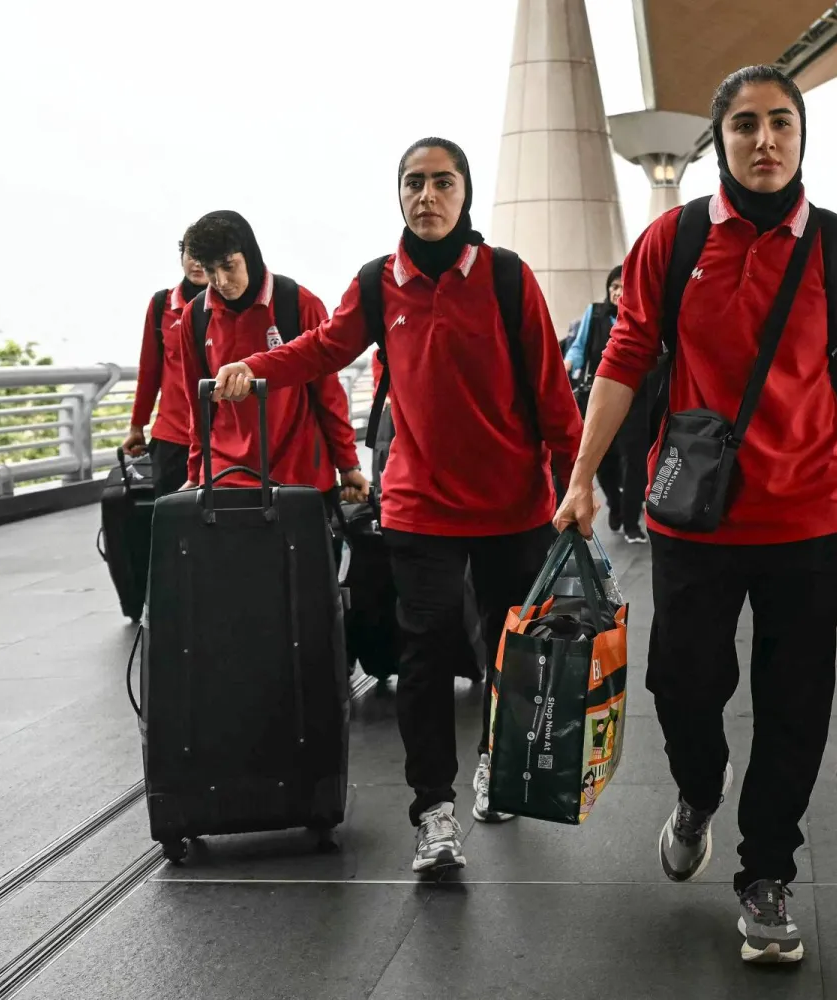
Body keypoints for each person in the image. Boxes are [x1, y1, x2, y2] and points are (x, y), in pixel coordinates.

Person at [552, 65, 837, 965]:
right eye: (745, 127)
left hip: (807, 516)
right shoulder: (674, 240)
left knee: (794, 707)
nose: (764, 141)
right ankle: (697, 790)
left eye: (781, 125)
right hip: (695, 517)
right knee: (682, 687)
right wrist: (579, 477)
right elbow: (624, 356)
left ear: (802, 139)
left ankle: (766, 871)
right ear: (719, 143)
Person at [209, 138, 583, 873]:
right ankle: (433, 811)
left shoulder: (506, 277)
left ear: (465, 193)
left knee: (513, 652)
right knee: (426, 655)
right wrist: (255, 368)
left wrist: (576, 484)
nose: (427, 196)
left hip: (515, 504)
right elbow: (323, 348)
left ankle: (493, 768)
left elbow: (550, 390)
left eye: (443, 182)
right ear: (400, 195)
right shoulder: (380, 283)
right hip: (419, 505)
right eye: (414, 183)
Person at [175, 211, 367, 506]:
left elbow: (329, 395)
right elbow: (196, 400)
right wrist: (195, 471)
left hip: (300, 472)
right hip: (227, 474)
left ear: (249, 256)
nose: (221, 281)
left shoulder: (298, 303)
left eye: (229, 266)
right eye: (211, 271)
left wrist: (348, 465)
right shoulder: (196, 316)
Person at [566, 265, 650, 542]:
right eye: (613, 287)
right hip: (600, 398)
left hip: (637, 401)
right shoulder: (596, 313)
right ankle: (615, 503)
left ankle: (631, 524)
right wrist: (567, 366)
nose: (617, 292)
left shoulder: (643, 316)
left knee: (634, 461)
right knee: (604, 462)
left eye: (623, 286)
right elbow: (578, 346)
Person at [121, 240, 209, 495]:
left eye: (204, 256)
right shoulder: (162, 304)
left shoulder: (231, 306)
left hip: (221, 439)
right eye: (191, 255)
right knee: (170, 522)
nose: (197, 263)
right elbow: (149, 370)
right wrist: (137, 426)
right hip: (173, 437)